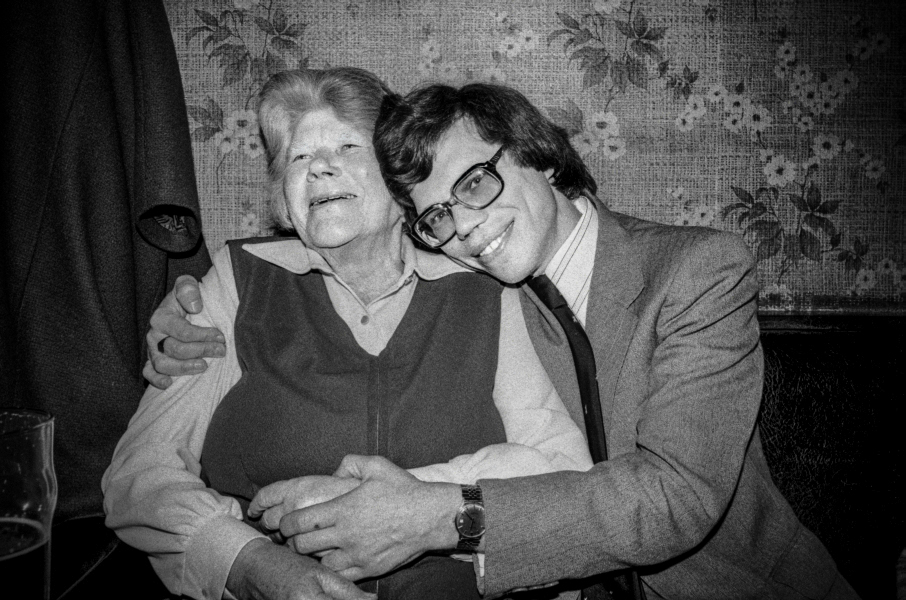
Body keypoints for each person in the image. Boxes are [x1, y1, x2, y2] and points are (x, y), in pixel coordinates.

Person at [150, 81, 859, 599]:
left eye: (478, 184)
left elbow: (676, 498)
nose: (465, 224)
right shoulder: (490, 287)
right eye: (436, 215)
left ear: (542, 158)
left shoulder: (696, 270)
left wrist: (440, 513)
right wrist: (183, 312)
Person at [103, 69, 594, 600]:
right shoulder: (237, 280)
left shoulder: (484, 290)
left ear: (398, 181)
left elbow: (562, 468)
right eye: (296, 157)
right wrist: (246, 564)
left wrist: (401, 504)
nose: (318, 168)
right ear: (282, 197)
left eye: (345, 145)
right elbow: (140, 475)